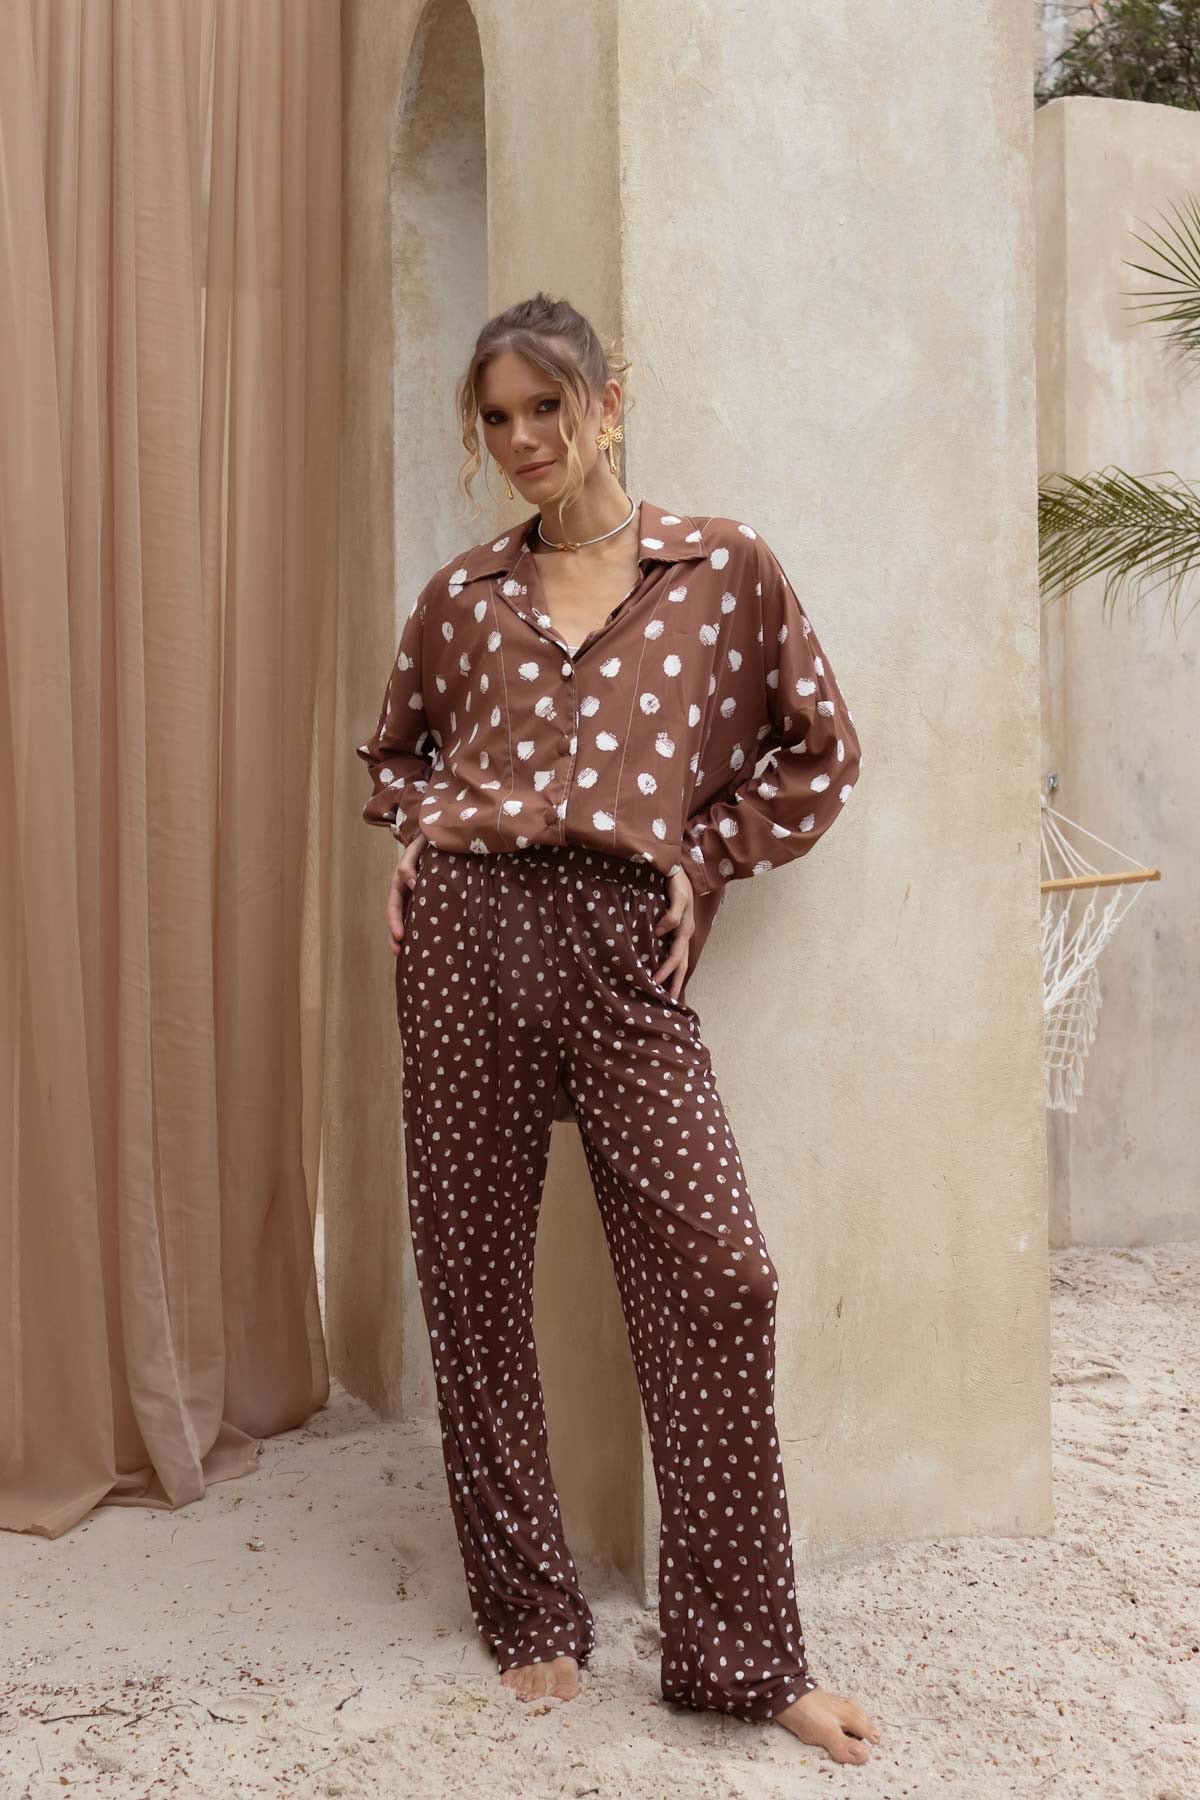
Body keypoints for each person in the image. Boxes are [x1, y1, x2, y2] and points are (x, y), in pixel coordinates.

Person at [356, 292, 878, 1768]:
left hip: (620, 943)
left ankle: (741, 1654)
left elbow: (822, 751)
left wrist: (702, 858)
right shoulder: (463, 597)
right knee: (472, 1271)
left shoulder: (721, 569)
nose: (524, 438)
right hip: (466, 937)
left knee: (722, 1275)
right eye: (497, 418)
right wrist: (426, 830)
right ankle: (528, 1605)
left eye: (547, 406)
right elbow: (394, 756)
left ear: (609, 401)